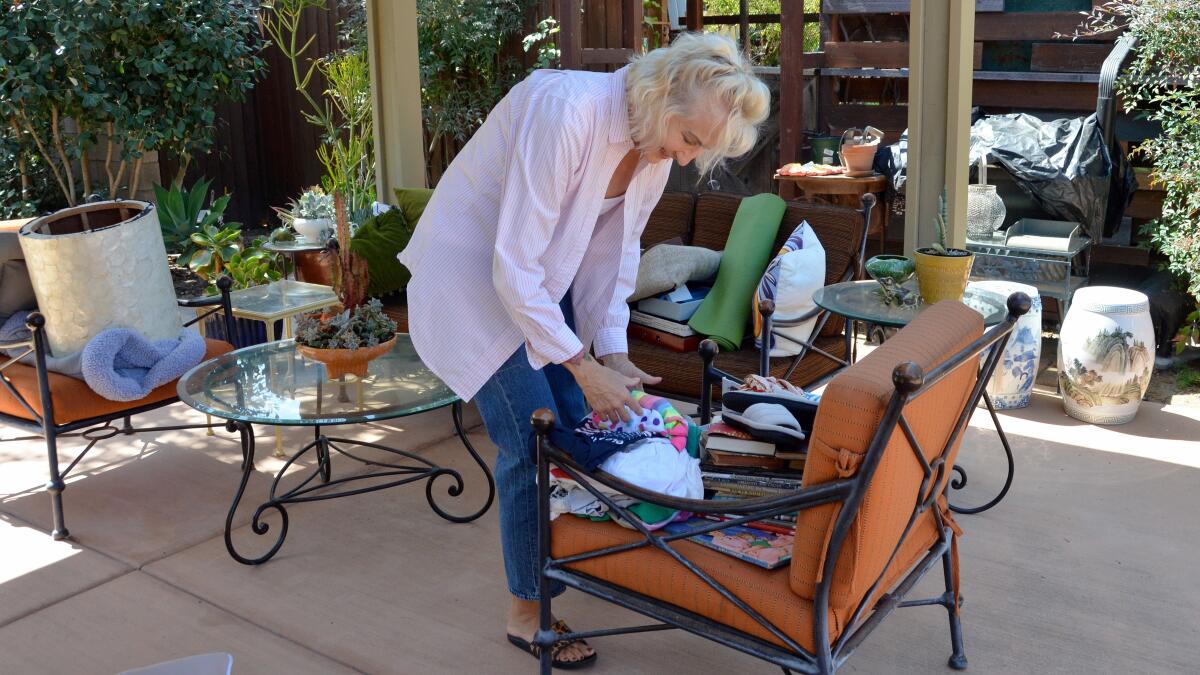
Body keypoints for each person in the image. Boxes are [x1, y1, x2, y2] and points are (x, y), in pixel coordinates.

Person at [398, 32, 769, 669]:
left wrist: (613, 352)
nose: (686, 160)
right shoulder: (566, 111)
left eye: (699, 150)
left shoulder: (650, 151)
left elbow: (613, 252)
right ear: (660, 97)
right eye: (691, 140)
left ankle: (575, 560)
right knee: (530, 441)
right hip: (473, 278)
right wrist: (580, 363)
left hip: (539, 284)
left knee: (575, 425)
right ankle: (526, 611)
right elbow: (509, 266)